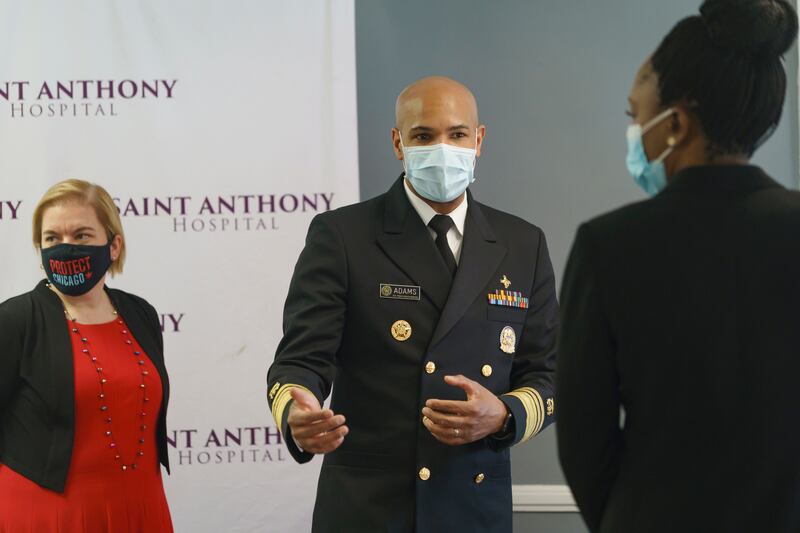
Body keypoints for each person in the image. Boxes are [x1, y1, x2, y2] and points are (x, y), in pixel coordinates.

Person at [267, 76, 558, 533]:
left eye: (457, 134)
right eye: (423, 135)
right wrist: (295, 410)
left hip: (474, 509)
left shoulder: (523, 244)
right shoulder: (343, 236)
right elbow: (300, 361)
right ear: (398, 144)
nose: (442, 148)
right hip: (371, 511)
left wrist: (504, 415)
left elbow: (547, 374)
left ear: (478, 140)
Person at [556, 1, 800, 532]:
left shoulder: (608, 244)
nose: (634, 130)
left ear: (676, 124)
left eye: (634, 114)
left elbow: (583, 440)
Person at [0, 179, 173, 532]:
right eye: (52, 238)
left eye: (81, 236)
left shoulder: (141, 314)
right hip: (47, 516)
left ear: (113, 245)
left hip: (142, 508)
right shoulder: (15, 320)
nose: (65, 248)